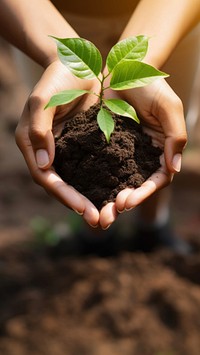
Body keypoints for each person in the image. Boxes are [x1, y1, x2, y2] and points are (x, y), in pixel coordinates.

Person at [0, 0, 200, 252]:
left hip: (172, 17)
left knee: (162, 131)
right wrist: (58, 57)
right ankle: (94, 238)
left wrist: (144, 60)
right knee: (63, 131)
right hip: (43, 19)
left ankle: (152, 227)